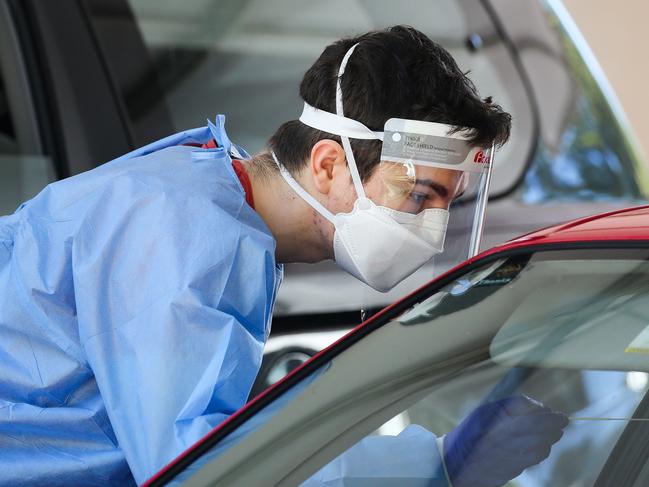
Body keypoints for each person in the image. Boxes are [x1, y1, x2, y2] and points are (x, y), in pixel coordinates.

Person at [0, 26, 566, 486]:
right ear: (326, 165)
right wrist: (433, 465)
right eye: (418, 196)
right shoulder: (183, 233)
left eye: (444, 204)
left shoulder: (214, 206)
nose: (432, 232)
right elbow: (201, 469)